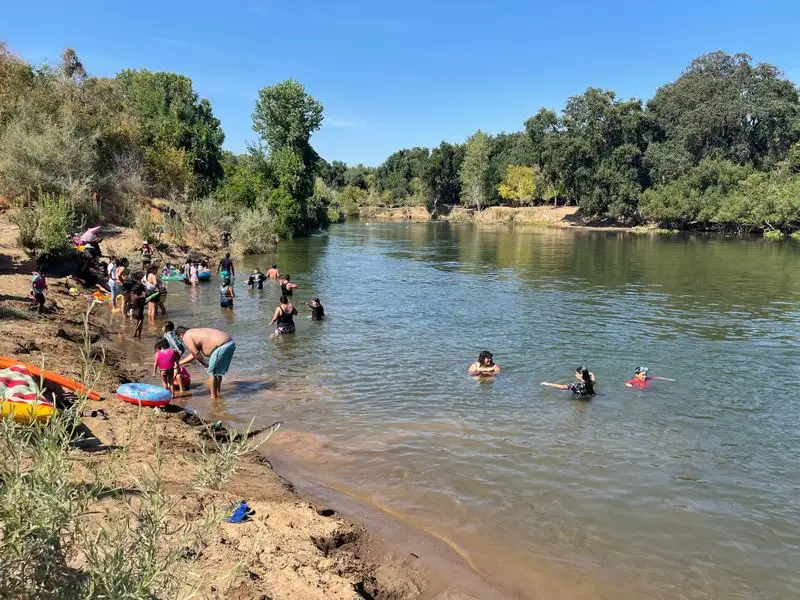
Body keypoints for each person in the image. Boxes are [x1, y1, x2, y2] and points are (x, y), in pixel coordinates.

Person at [177, 327, 236, 400]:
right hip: (230, 344)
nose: (183, 341)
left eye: (181, 340)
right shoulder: (195, 333)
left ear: (181, 335)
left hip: (222, 346)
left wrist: (205, 365)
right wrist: (179, 363)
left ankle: (213, 398)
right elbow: (193, 355)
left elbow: (196, 353)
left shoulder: (187, 336)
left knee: (210, 372)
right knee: (217, 372)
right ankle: (218, 393)